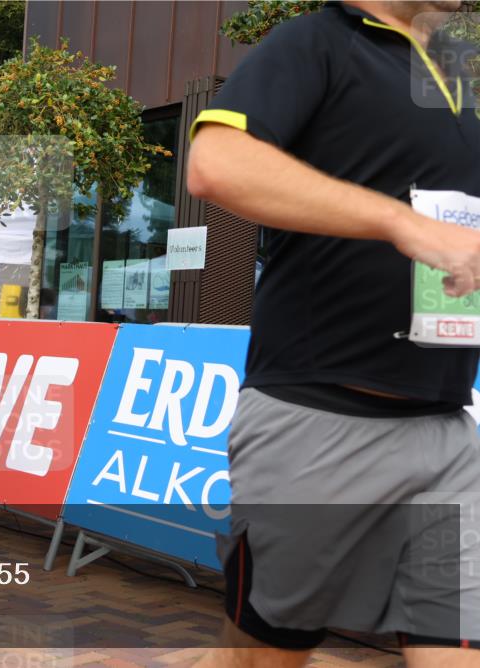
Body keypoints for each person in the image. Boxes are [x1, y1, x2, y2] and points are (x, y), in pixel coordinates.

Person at [188, 2, 479, 666]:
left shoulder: (463, 66)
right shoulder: (322, 41)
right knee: (261, 659)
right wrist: (403, 225)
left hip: (448, 431)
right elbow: (215, 164)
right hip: (319, 423)